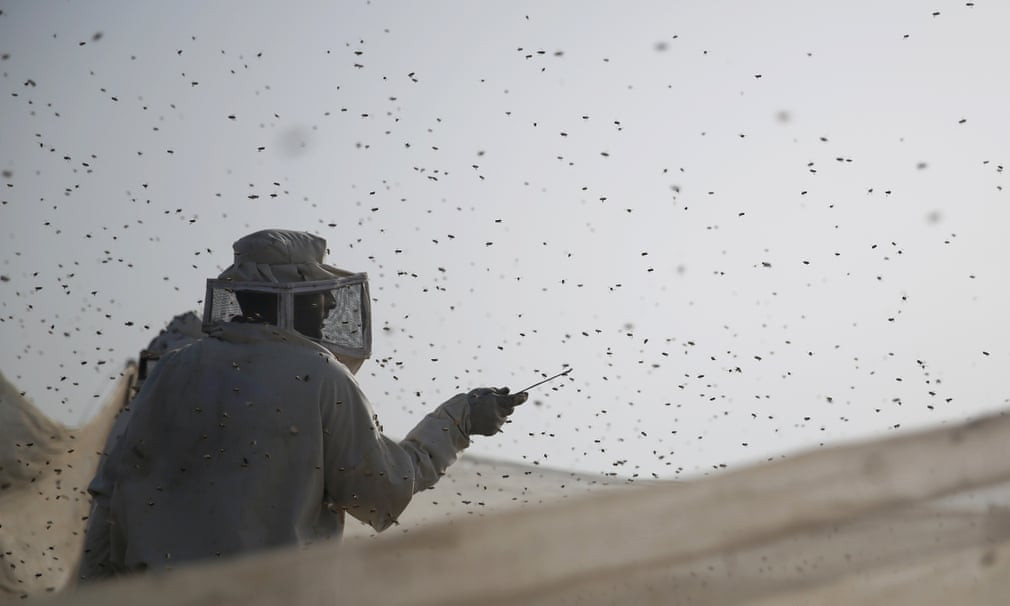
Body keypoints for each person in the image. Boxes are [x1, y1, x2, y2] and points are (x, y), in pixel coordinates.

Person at [79, 229, 526, 579]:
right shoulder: (317, 376)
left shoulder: (173, 369)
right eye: (321, 294)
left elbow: (111, 505)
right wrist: (459, 419)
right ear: (296, 297)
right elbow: (383, 487)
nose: (329, 304)